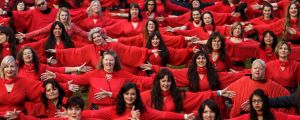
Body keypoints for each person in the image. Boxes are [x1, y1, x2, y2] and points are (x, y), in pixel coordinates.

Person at [41, 50, 153, 109]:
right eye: (106, 60)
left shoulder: (123, 74)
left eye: (111, 60)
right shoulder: (93, 74)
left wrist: (160, 80)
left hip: (116, 109)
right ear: (102, 61)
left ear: (115, 62)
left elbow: (141, 81)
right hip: (96, 110)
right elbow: (76, 79)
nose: (108, 62)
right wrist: (56, 76)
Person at [141, 68, 235, 113]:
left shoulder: (178, 95)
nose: (166, 84)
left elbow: (198, 96)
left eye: (169, 81)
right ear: (158, 81)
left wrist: (218, 92)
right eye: (163, 81)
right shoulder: (150, 95)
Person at [89, 82, 195, 120]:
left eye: (133, 94)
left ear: (137, 96)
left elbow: (162, 115)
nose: (129, 97)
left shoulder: (143, 110)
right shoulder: (114, 110)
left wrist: (184, 117)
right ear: (122, 95)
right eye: (126, 94)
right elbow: (93, 114)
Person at [226, 59, 290, 118]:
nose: (257, 70)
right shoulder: (243, 81)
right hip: (241, 115)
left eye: (260, 69)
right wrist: (232, 106)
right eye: (255, 68)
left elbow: (286, 95)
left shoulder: (271, 85)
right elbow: (227, 93)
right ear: (251, 70)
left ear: (264, 71)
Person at [16, 47, 92, 81]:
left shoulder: (41, 67)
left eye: (29, 53)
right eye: (25, 54)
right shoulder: (17, 69)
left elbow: (59, 69)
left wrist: (77, 68)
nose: (27, 55)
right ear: (22, 57)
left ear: (33, 55)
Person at [17, 7, 88, 42]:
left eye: (66, 15)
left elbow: (84, 34)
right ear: (59, 16)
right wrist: (26, 35)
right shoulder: (53, 25)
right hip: (53, 46)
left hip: (67, 47)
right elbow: (39, 31)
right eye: (62, 15)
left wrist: (95, 32)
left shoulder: (72, 26)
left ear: (68, 16)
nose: (64, 17)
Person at [230, 89, 300, 120]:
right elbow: (286, 100)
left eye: (259, 101)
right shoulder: (247, 117)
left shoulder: (276, 116)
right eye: (254, 101)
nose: (256, 103)